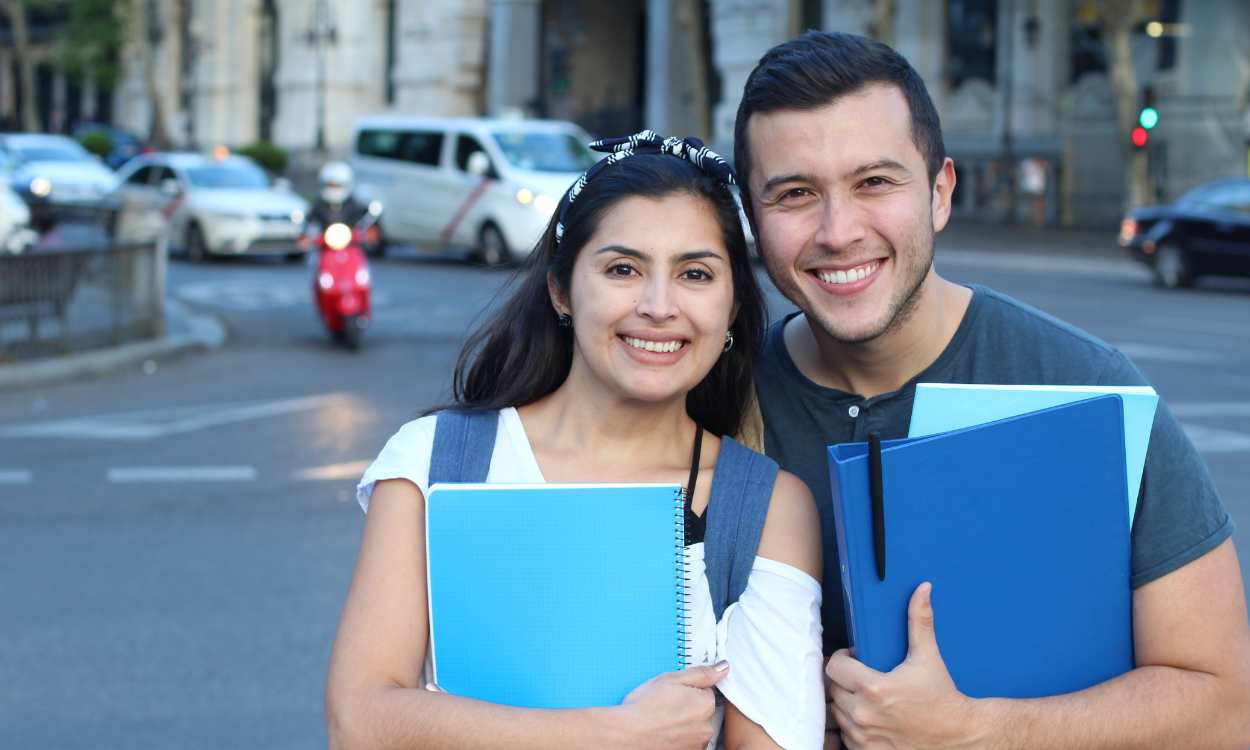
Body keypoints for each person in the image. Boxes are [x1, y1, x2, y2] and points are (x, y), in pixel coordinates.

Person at [734, 31, 1250, 749]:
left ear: (940, 192)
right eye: (795, 194)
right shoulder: (713, 397)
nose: (838, 231)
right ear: (752, 218)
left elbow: (1226, 707)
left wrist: (976, 731)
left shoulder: (1087, 391)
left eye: (875, 183)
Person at [325, 131, 825, 749]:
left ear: (731, 308)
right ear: (561, 290)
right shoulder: (437, 462)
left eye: (695, 274)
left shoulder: (762, 506)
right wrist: (608, 735)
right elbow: (359, 724)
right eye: (623, 269)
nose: (659, 306)